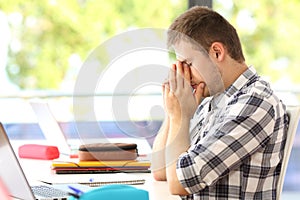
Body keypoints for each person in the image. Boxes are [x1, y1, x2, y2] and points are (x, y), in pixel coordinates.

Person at [151, 6, 289, 200]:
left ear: (216, 52)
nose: (185, 75)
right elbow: (160, 170)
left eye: (188, 64)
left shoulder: (254, 103)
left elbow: (179, 182)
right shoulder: (213, 103)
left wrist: (179, 117)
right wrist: (173, 110)